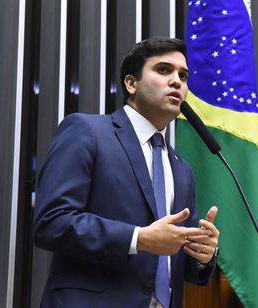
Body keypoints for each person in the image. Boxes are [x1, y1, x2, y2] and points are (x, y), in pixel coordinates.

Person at [33, 37, 220, 308]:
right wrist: (139, 238)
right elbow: (51, 222)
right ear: (131, 83)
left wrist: (203, 255)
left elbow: (177, 264)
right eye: (164, 70)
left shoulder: (182, 169)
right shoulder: (87, 132)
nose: (177, 82)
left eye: (183, 75)